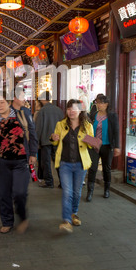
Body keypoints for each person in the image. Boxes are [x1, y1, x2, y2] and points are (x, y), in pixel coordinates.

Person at [0, 90, 38, 234]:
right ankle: (7, 221)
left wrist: (33, 153)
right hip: (2, 163)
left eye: (2, 102)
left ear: (9, 102)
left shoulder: (23, 115)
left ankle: (23, 216)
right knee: (4, 194)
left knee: (20, 193)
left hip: (21, 162)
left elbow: (32, 133)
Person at [51, 99, 93, 233]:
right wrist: (53, 138)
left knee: (77, 192)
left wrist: (87, 138)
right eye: (69, 109)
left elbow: (92, 144)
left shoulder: (87, 125)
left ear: (80, 110)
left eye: (74, 108)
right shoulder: (60, 124)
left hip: (81, 164)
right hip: (65, 164)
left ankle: (73, 213)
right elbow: (54, 142)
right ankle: (66, 220)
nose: (71, 111)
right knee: (67, 192)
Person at [86, 94, 120, 201]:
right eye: (97, 102)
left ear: (106, 104)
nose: (98, 105)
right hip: (94, 145)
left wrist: (117, 146)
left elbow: (116, 131)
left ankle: (107, 190)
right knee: (93, 168)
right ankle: (90, 191)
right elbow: (88, 130)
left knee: (106, 168)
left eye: (100, 102)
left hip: (107, 145)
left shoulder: (112, 116)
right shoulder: (93, 115)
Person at [35, 91, 64, 188]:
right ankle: (62, 182)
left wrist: (37, 142)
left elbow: (38, 128)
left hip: (45, 140)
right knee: (58, 161)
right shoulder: (59, 110)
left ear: (43, 99)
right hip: (57, 140)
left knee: (46, 162)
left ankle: (49, 182)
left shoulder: (42, 111)